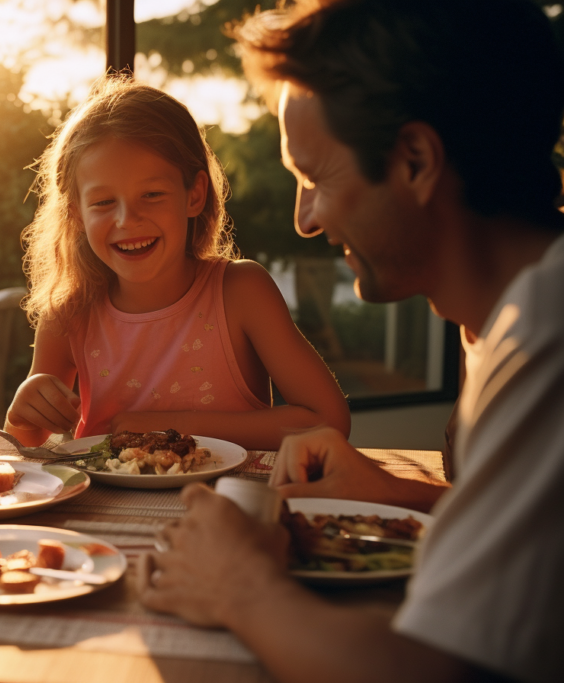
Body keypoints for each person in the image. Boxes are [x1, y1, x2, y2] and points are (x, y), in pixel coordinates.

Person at [140, 1, 564, 681]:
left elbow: (434, 671)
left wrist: (239, 585)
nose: (305, 219)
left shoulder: (547, 334)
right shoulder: (492, 314)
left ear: (417, 160)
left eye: (314, 178)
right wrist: (399, 492)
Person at [5, 78, 350, 451]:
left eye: (152, 195)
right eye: (103, 202)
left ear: (195, 195)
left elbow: (326, 421)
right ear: (77, 215)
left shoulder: (240, 291)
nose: (127, 220)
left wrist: (159, 427)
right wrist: (22, 416)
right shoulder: (69, 314)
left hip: (228, 506)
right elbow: (25, 450)